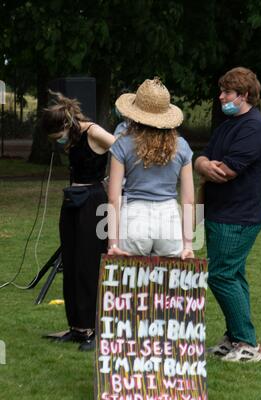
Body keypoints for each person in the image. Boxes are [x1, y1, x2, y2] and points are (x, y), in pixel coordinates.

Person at [194, 67, 261, 363]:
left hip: (239, 216)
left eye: (227, 92)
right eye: (222, 91)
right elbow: (201, 157)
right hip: (222, 213)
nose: (221, 97)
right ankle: (233, 338)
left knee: (220, 274)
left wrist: (205, 166)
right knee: (234, 275)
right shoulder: (229, 125)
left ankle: (248, 344)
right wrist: (203, 164)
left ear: (243, 95)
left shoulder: (254, 127)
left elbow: (225, 172)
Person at [41, 91, 115, 351]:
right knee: (71, 263)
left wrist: (112, 184)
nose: (57, 142)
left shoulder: (92, 132)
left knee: (90, 263)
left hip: (95, 202)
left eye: (56, 136)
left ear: (65, 125)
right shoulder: (71, 137)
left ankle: (95, 328)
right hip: (73, 200)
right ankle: (77, 326)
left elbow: (121, 151)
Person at [107, 77, 194, 260]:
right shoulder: (182, 146)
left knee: (130, 285)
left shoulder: (122, 144)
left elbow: (114, 198)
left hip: (134, 218)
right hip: (169, 219)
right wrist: (188, 244)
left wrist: (113, 244)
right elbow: (188, 200)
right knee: (168, 285)